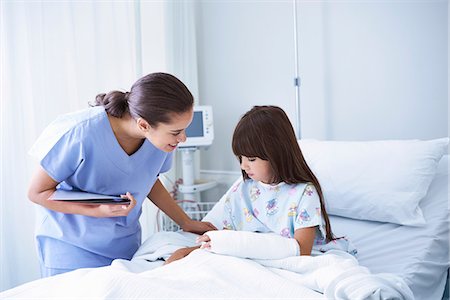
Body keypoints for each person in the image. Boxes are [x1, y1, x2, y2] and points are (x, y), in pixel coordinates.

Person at [27, 72, 217, 277]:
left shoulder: (160, 142)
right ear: (144, 124)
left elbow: (148, 178)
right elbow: (37, 192)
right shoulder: (80, 134)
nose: (183, 138)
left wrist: (185, 221)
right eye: (176, 132)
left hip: (123, 249)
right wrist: (98, 210)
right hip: (69, 248)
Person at [165, 105, 353, 264]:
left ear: (276, 154)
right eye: (241, 158)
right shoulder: (243, 190)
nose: (243, 165)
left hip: (290, 260)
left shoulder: (304, 194)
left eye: (251, 159)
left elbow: (301, 251)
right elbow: (228, 236)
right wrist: (190, 250)